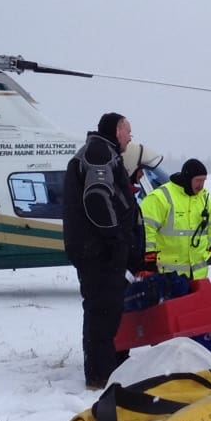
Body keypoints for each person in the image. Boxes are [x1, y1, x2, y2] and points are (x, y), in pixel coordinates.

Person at [61, 112, 145, 390]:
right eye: (128, 132)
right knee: (102, 312)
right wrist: (115, 237)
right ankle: (100, 376)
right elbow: (97, 197)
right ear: (117, 130)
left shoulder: (104, 153)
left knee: (106, 311)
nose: (130, 138)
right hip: (97, 251)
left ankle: (107, 369)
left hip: (97, 249)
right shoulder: (99, 154)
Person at [140, 157, 211, 282]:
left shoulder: (204, 197)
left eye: (203, 180)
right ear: (187, 179)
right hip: (169, 277)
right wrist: (149, 257)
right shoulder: (160, 197)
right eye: (198, 181)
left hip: (198, 276)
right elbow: (147, 229)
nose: (201, 185)